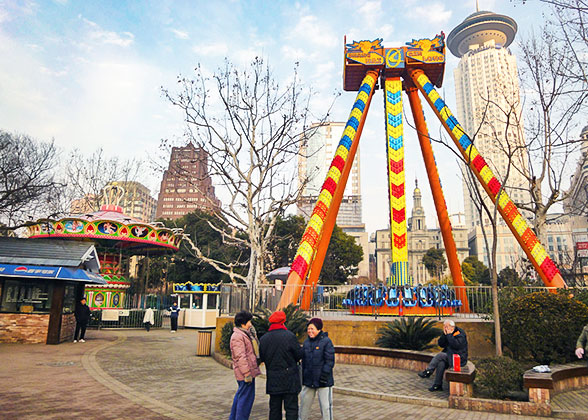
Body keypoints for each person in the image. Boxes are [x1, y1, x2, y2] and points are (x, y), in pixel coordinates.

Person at [259, 310, 303, 420]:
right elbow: (298, 355)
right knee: (291, 409)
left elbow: (262, 357)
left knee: (274, 409)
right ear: (283, 322)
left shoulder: (264, 339)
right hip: (290, 379)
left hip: (273, 379)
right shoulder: (290, 336)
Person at [299, 318, 335, 420]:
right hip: (309, 380)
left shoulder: (326, 342)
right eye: (308, 329)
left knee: (326, 407)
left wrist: (324, 375)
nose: (310, 331)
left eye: (312, 329)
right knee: (304, 405)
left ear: (319, 329)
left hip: (323, 381)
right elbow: (304, 361)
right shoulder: (306, 343)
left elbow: (330, 361)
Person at [418, 319, 468, 391]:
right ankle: (437, 385)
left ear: (451, 327)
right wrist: (445, 335)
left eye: (445, 327)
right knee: (441, 363)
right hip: (450, 356)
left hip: (458, 358)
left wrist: (449, 335)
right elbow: (441, 344)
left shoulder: (459, 333)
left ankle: (428, 371)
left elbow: (456, 345)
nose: (444, 328)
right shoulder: (447, 333)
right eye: (444, 327)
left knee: (440, 355)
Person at [229, 310, 261, 420]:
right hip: (245, 374)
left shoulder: (244, 334)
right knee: (245, 400)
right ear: (243, 323)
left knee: (241, 396)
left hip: (246, 372)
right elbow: (240, 357)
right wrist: (247, 373)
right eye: (249, 321)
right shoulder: (238, 336)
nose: (251, 324)